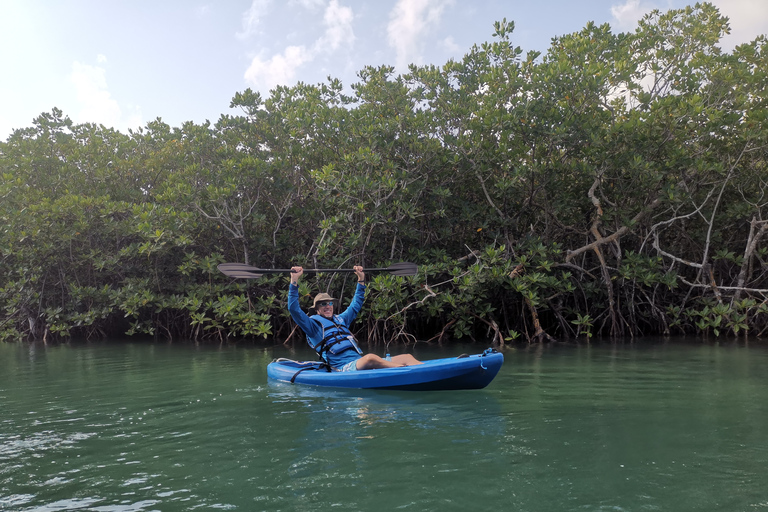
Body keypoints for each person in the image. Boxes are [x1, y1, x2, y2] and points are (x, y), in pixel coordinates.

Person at [287, 265, 422, 371]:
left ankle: (424, 370)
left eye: (330, 303)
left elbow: (356, 304)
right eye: (323, 304)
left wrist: (361, 279)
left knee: (407, 356)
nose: (328, 306)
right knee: (370, 358)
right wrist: (294, 281)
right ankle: (405, 372)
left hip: (358, 362)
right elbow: (294, 309)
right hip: (343, 368)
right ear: (316, 309)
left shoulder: (341, 320)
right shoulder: (312, 326)